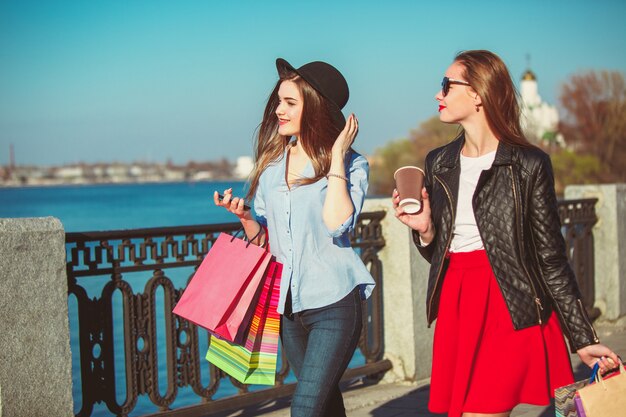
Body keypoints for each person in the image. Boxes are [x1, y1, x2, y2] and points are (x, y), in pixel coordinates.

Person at [392, 50, 620, 417]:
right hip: (457, 302)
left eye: (447, 85)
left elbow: (551, 257)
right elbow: (439, 253)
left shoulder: (528, 163)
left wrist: (583, 337)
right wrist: (425, 230)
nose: (439, 94)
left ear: (479, 93)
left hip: (508, 304)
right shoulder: (439, 161)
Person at [215, 58, 375, 417]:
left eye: (290, 103)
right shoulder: (271, 168)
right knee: (325, 406)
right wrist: (244, 219)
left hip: (334, 304)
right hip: (288, 308)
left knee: (303, 408)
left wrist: (335, 157)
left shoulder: (352, 165)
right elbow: (267, 243)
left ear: (314, 108)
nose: (278, 110)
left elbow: (338, 225)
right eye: (278, 101)